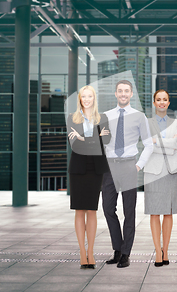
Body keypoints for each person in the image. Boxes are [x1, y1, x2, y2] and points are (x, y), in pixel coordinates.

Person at [102, 79, 153, 268]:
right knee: (108, 209)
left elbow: (149, 144)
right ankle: (117, 248)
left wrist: (138, 165)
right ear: (115, 94)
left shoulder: (140, 116)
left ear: (131, 94)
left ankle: (125, 253)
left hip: (129, 166)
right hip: (109, 167)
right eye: (120, 91)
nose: (123, 94)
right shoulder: (105, 116)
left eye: (126, 91)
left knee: (129, 211)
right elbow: (100, 141)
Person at [67, 85, 111, 269]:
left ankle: (91, 252)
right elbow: (74, 144)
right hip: (78, 168)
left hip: (95, 169)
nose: (86, 99)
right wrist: (94, 138)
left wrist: (85, 138)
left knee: (92, 210)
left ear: (94, 98)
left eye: (89, 96)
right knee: (79, 210)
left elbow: (106, 141)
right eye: (83, 96)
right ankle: (81, 252)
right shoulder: (72, 118)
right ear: (79, 99)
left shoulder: (103, 118)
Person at [143, 89, 177, 267]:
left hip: (171, 171)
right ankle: (157, 250)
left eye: (164, 99)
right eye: (158, 99)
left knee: (168, 211)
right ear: (154, 102)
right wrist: (167, 143)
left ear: (168, 103)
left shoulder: (176, 123)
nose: (161, 102)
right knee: (154, 211)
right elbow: (145, 145)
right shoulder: (146, 123)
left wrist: (157, 142)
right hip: (152, 171)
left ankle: (165, 250)